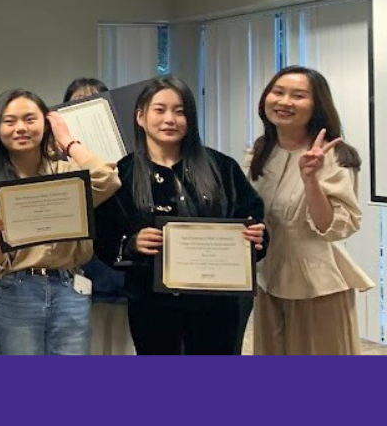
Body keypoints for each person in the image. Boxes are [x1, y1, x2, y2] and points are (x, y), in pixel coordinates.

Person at [94, 77, 265, 355]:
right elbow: (104, 234)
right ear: (141, 116)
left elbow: (252, 218)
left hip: (220, 303)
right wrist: (132, 243)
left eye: (180, 111)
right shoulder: (123, 174)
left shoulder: (222, 167)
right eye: (159, 110)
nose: (170, 119)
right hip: (152, 303)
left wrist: (256, 236)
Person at [0, 89, 120, 356]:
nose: (21, 128)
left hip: (69, 289)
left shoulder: (68, 175)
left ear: (46, 122)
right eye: (10, 121)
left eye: (30, 119)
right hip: (13, 292)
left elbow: (108, 180)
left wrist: (68, 141)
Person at [248, 66, 375, 355]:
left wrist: (310, 181)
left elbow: (333, 228)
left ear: (317, 106)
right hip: (268, 280)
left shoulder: (334, 157)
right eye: (278, 92)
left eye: (298, 95)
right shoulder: (260, 151)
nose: (284, 101)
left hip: (317, 288)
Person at [60, 77, 133, 356]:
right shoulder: (58, 162)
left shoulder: (128, 160)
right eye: (76, 104)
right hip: (81, 271)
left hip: (121, 269)